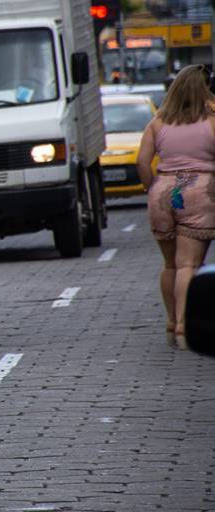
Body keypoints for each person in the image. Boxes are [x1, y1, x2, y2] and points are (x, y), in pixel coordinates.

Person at [136, 64, 215, 349]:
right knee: (189, 265)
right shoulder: (211, 119)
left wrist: (151, 187)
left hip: (162, 192)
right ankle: (184, 326)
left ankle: (171, 322)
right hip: (199, 191)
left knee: (170, 264)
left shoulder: (157, 123)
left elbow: (142, 162)